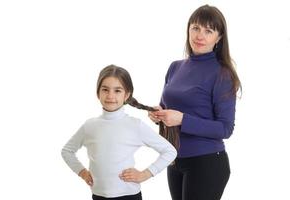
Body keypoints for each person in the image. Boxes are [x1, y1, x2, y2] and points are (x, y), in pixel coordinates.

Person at [148, 4, 241, 200]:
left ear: (219, 38)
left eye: (209, 31)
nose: (200, 36)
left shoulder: (222, 74)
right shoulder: (175, 67)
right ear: (188, 28)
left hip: (206, 162)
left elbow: (225, 129)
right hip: (174, 159)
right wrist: (158, 114)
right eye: (196, 28)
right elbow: (167, 109)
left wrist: (182, 119)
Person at [61, 65, 177, 200]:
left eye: (117, 91)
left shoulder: (135, 125)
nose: (110, 96)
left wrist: (145, 174)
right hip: (99, 195)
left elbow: (170, 151)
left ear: (126, 95)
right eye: (105, 89)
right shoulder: (90, 126)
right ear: (98, 93)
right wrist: (82, 173)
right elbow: (67, 151)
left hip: (129, 195)